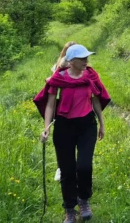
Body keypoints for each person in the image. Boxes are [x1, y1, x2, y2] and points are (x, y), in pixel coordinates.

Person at [34, 44, 111, 223]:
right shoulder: (59, 78)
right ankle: (69, 209)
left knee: (84, 166)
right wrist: (47, 127)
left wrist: (101, 123)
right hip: (64, 127)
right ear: (71, 61)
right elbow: (51, 104)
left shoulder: (90, 76)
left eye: (87, 58)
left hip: (86, 125)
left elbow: (96, 100)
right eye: (82, 58)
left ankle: (83, 200)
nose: (86, 61)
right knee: (67, 170)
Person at [51, 41, 76, 182]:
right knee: (61, 141)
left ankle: (71, 168)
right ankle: (60, 167)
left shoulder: (81, 66)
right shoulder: (60, 65)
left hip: (78, 108)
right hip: (63, 108)